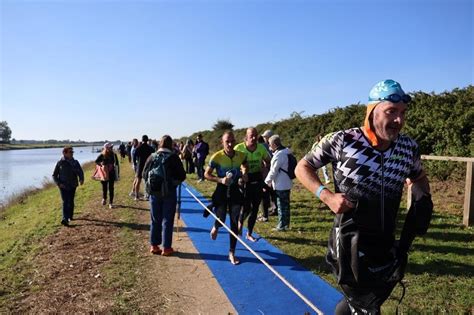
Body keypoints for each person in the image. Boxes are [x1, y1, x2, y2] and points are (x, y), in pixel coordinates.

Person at [295, 79, 433, 314]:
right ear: (372, 111)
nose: (398, 120)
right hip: (350, 241)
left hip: (387, 241)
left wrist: (422, 199)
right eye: (391, 111)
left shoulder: (408, 147)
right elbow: (302, 167)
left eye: (402, 113)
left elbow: (419, 176)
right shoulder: (341, 140)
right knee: (366, 307)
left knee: (367, 302)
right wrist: (326, 196)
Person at [205, 131, 248, 265]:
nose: (230, 144)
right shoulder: (216, 157)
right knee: (222, 217)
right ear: (222, 143)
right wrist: (220, 180)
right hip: (221, 191)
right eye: (227, 142)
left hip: (235, 191)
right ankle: (216, 226)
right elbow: (206, 174)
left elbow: (245, 166)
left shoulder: (241, 155)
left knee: (234, 222)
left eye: (232, 141)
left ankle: (232, 253)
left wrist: (244, 175)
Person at [143, 135, 186, 256]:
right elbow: (182, 176)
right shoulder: (173, 157)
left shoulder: (152, 156)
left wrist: (149, 187)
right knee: (167, 220)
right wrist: (173, 183)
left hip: (154, 192)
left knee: (155, 219)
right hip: (169, 192)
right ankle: (166, 248)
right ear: (170, 144)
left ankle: (154, 245)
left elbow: (144, 173)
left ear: (159, 144)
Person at [234, 128, 270, 242]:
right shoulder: (239, 148)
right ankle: (240, 223)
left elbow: (268, 161)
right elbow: (233, 164)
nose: (254, 138)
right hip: (244, 179)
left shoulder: (261, 148)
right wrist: (240, 175)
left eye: (255, 135)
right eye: (251, 136)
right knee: (246, 207)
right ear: (246, 137)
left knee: (255, 208)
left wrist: (265, 172)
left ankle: (249, 233)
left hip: (257, 179)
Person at [264, 135, 293, 231]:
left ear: (274, 144)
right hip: (287, 182)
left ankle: (281, 226)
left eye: (270, 144)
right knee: (286, 205)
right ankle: (286, 224)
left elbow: (273, 171)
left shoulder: (279, 154)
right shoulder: (286, 152)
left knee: (281, 206)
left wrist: (266, 182)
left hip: (281, 183)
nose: (269, 147)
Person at [52, 146, 84, 226]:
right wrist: (59, 183)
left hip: (73, 185)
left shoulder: (75, 162)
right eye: (70, 152)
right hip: (63, 186)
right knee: (65, 201)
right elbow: (54, 175)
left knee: (71, 201)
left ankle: (70, 215)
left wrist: (81, 179)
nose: (72, 153)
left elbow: (80, 171)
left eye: (72, 152)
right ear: (64, 153)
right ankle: (65, 219)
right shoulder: (60, 163)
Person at [95, 143, 120, 209]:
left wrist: (118, 174)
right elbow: (96, 161)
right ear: (106, 148)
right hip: (104, 174)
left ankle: (110, 203)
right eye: (110, 147)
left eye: (111, 147)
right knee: (104, 187)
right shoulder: (102, 155)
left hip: (111, 174)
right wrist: (102, 166)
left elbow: (117, 165)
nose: (111, 148)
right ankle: (104, 198)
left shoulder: (114, 155)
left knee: (111, 188)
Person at [261, 129, 278, 218]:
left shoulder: (265, 146)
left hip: (269, 171)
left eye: (265, 137)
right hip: (273, 171)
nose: (264, 138)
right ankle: (273, 208)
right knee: (272, 191)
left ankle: (273, 209)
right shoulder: (276, 145)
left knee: (270, 191)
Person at [133, 135, 155, 200]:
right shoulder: (150, 148)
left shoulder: (139, 147)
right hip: (148, 166)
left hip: (140, 166)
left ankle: (136, 196)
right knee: (147, 181)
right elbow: (154, 156)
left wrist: (134, 164)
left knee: (138, 181)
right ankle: (147, 195)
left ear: (142, 140)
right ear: (147, 140)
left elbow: (134, 156)